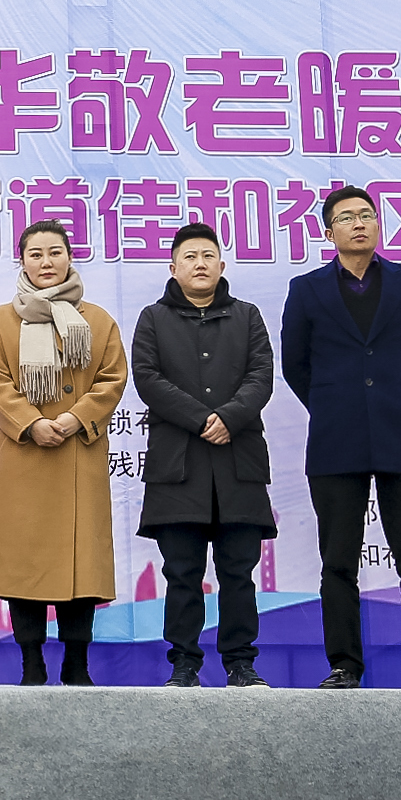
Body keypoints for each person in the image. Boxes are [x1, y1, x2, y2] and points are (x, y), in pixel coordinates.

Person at [280, 186, 401, 690]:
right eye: (346, 218)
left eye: (367, 215)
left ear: (378, 224)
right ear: (327, 231)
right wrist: (334, 404)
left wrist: (396, 398)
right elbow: (296, 364)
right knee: (338, 560)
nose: (359, 224)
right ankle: (344, 665)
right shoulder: (306, 289)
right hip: (336, 438)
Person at [0, 221, 129, 686]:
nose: (46, 262)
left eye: (55, 252)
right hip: (25, 456)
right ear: (21, 261)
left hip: (78, 452)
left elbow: (112, 378)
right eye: (36, 254)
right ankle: (32, 663)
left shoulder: (97, 320)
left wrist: (76, 418)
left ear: (70, 258)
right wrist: (31, 422)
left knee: (81, 567)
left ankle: (77, 664)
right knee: (23, 564)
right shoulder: (1, 320)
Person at [131, 224, 277, 688]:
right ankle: (184, 664)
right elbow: (148, 379)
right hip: (178, 467)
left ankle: (241, 663)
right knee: (182, 573)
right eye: (190, 256)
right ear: (173, 268)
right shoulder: (153, 318)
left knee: (239, 573)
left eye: (208, 255)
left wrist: (229, 417)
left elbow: (261, 375)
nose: (200, 263)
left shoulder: (247, 316)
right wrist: (201, 419)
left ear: (222, 265)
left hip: (238, 462)